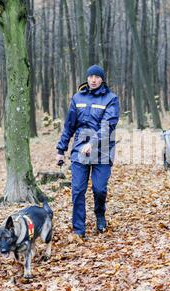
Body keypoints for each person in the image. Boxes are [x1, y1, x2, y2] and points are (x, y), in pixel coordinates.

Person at [56, 65, 120, 241]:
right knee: (77, 191)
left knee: (99, 189)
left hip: (103, 151)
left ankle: (100, 215)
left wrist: (92, 142)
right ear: (87, 78)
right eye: (90, 76)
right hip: (79, 151)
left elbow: (108, 125)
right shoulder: (78, 98)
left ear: (102, 79)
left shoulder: (111, 99)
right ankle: (79, 229)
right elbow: (69, 125)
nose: (93, 80)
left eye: (97, 77)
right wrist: (61, 149)